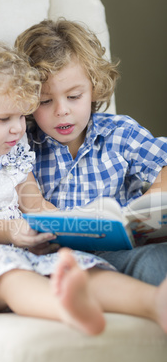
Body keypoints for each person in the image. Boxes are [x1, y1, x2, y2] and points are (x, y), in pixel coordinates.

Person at [0, 40, 167, 337]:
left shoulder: (14, 151)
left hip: (26, 250)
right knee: (13, 275)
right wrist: (10, 232)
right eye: (4, 118)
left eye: (22, 116)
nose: (19, 128)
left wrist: (68, 225)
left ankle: (153, 302)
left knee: (82, 267)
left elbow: (35, 204)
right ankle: (69, 310)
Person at [15, 19, 167, 286]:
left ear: (94, 88)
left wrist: (154, 199)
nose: (62, 110)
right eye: (45, 101)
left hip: (124, 252)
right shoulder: (22, 146)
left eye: (74, 96)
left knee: (155, 259)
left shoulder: (121, 132)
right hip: (61, 262)